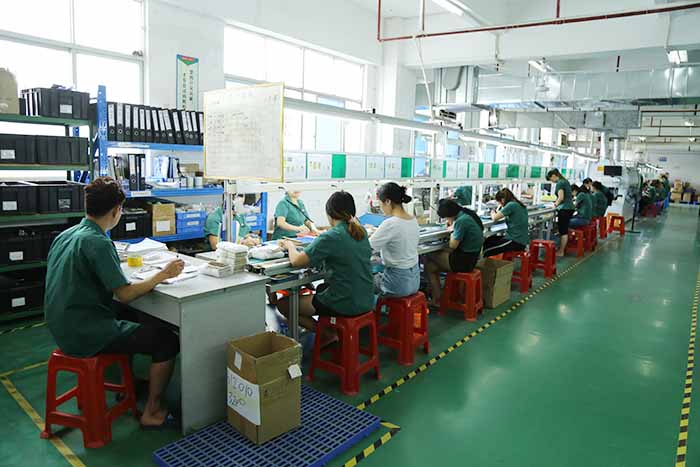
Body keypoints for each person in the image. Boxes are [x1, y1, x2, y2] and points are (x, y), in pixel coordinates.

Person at [44, 177, 184, 429]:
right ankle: (152, 411)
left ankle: (126, 385)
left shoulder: (67, 235)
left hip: (61, 327)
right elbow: (125, 294)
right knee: (167, 340)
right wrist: (163, 275)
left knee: (129, 315)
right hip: (84, 333)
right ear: (117, 210)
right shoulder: (98, 241)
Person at [276, 191, 374, 343]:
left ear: (329, 213)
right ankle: (331, 331)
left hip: (345, 302)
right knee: (322, 288)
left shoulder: (331, 236)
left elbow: (296, 261)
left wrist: (289, 246)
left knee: (284, 305)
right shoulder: (361, 233)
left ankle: (327, 333)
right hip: (366, 298)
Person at [424, 199, 484, 307]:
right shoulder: (467, 214)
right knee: (430, 267)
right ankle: (437, 297)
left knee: (427, 254)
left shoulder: (461, 221)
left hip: (464, 262)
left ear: (450, 215)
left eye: (446, 218)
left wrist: (452, 230)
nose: (446, 220)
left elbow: (452, 245)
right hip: (472, 258)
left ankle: (435, 297)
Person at [369, 182, 420, 298]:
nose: (381, 209)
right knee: (378, 265)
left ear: (388, 201)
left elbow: (367, 248)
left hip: (398, 284)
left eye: (380, 204)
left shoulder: (390, 223)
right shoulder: (413, 220)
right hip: (414, 281)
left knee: (362, 280)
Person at [483, 188, 530, 257]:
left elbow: (494, 218)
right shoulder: (518, 204)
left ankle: (487, 263)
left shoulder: (511, 205)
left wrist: (492, 212)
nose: (500, 204)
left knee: (487, 250)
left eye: (499, 202)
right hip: (521, 239)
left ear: (502, 200)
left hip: (515, 241)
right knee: (489, 240)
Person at [547, 168, 576, 257]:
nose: (552, 181)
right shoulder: (565, 181)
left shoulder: (560, 183)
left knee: (563, 231)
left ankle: (561, 251)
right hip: (569, 208)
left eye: (551, 179)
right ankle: (560, 249)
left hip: (564, 209)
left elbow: (561, 197)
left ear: (554, 176)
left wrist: (555, 205)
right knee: (563, 229)